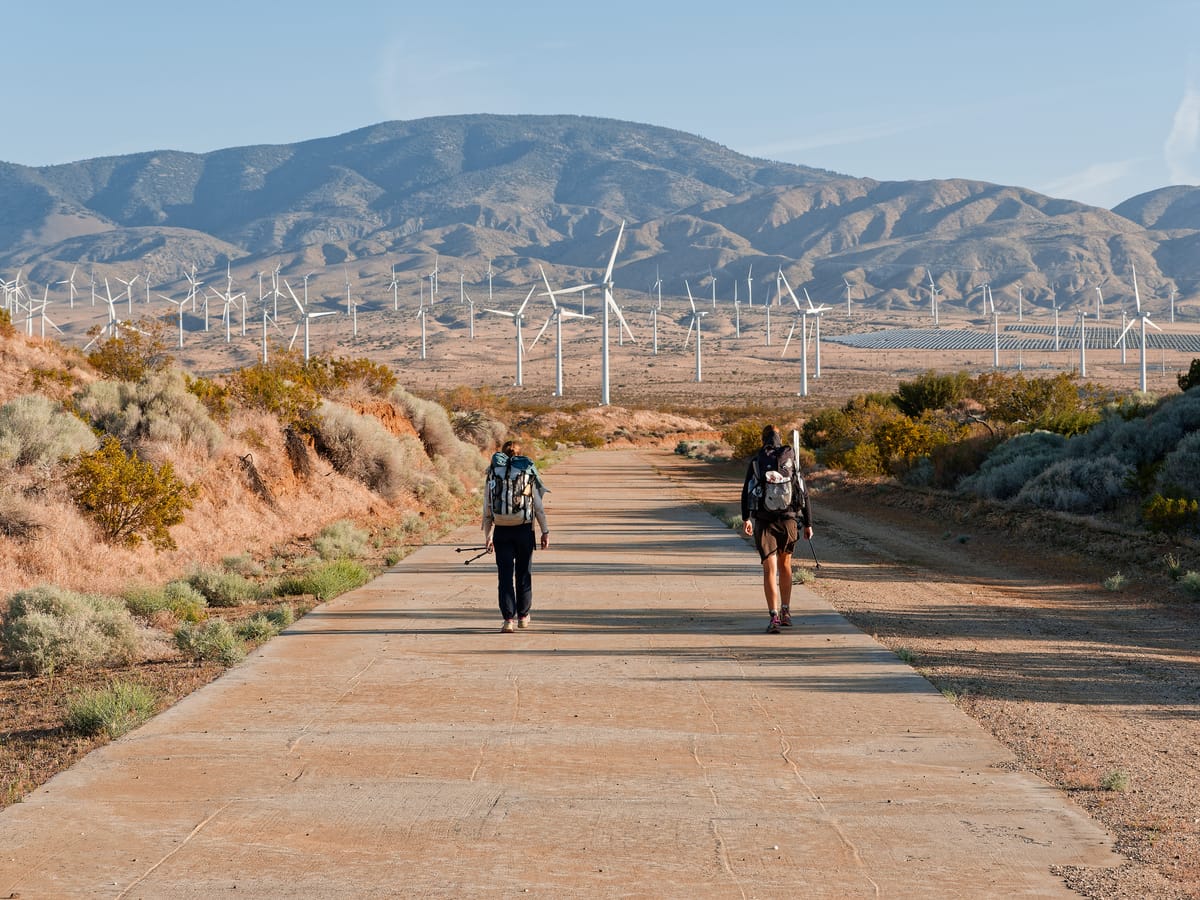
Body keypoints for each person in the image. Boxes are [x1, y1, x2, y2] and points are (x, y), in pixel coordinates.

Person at [740, 425, 813, 633]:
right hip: (789, 520)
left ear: (763, 439)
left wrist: (746, 518)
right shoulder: (790, 460)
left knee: (769, 569)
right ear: (780, 439)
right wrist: (808, 523)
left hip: (764, 521)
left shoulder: (757, 461)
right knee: (786, 566)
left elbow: (746, 492)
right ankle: (786, 611)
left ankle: (773, 617)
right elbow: (804, 493)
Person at [483, 440, 549, 633]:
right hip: (523, 530)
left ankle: (507, 620)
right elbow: (538, 507)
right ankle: (522, 616)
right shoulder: (527, 472)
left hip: (501, 531)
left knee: (504, 577)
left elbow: (487, 509)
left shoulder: (493, 473)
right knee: (523, 574)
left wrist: (488, 536)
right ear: (520, 454)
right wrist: (545, 531)